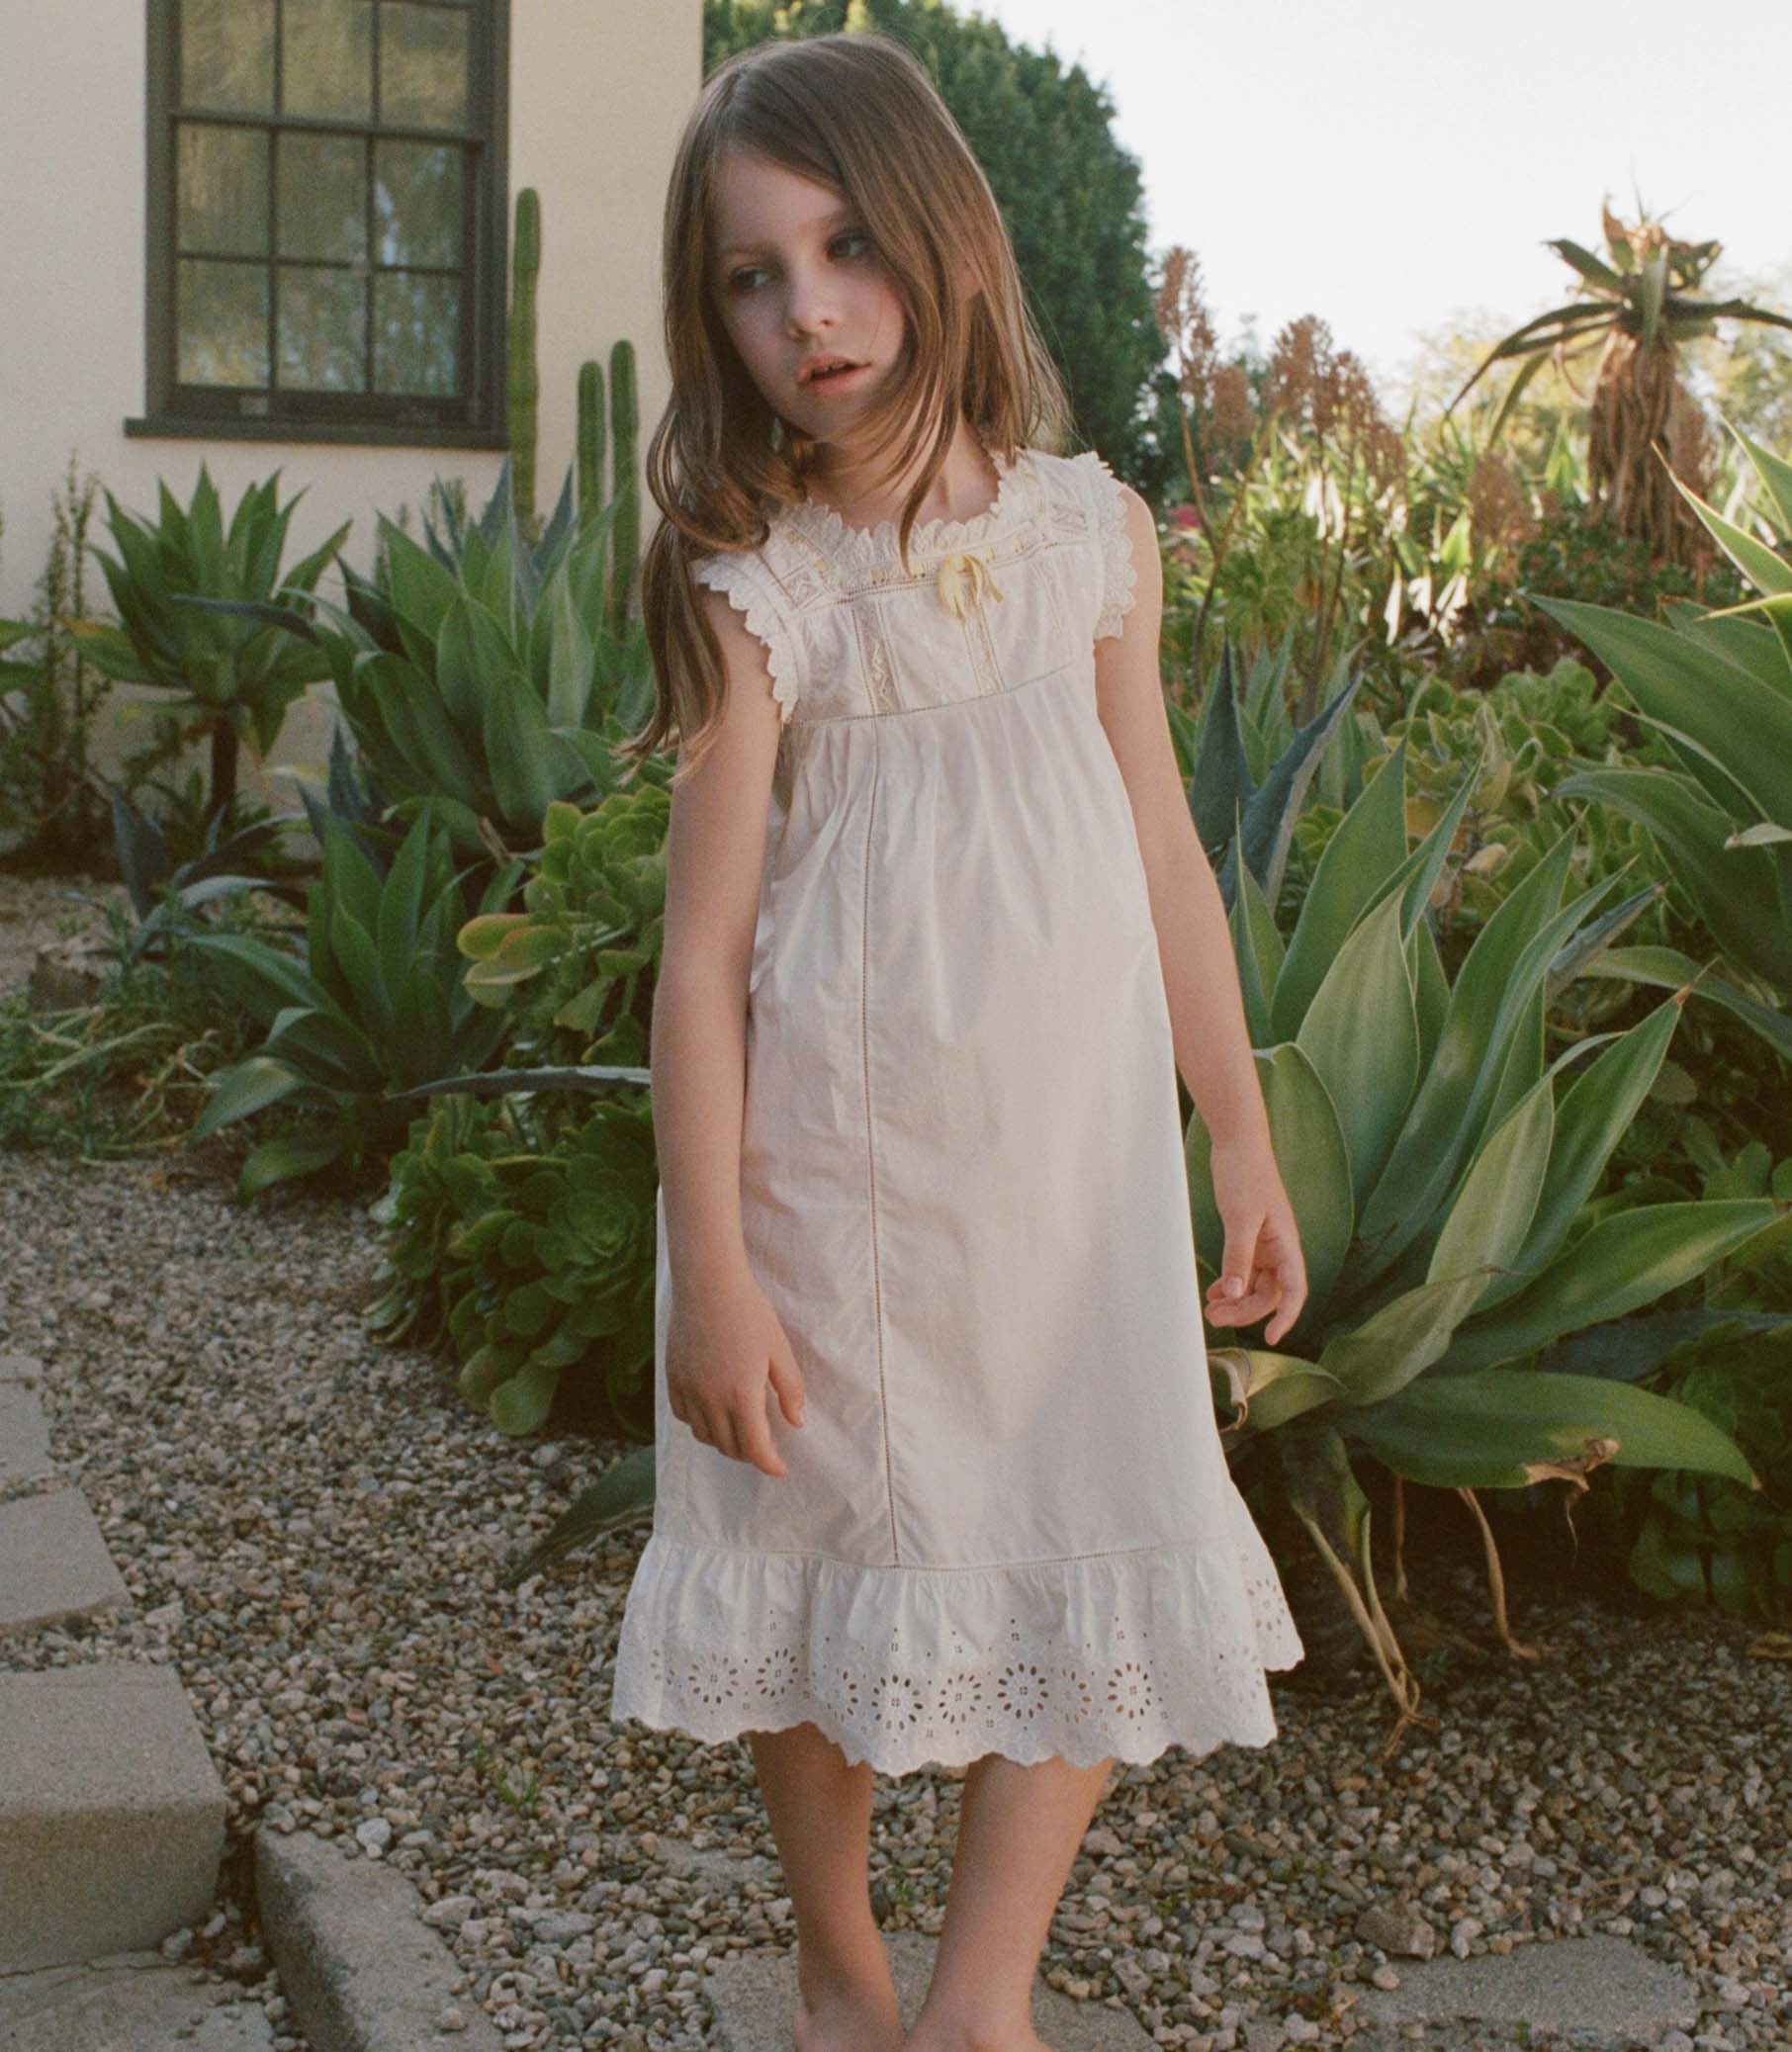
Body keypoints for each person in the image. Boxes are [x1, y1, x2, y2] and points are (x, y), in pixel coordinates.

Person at [608, 29, 1308, 2052]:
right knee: (813, 1561)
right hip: (826, 1178)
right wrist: (718, 1271)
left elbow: (1166, 852)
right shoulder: (762, 591)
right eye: (751, 273)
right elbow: (701, 951)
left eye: (841, 247)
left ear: (937, 242)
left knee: (1102, 1522)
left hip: (1066, 1181)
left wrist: (1238, 1137)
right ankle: (842, 1961)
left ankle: (981, 1998)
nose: (806, 308)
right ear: (711, 309)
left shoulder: (1097, 541)